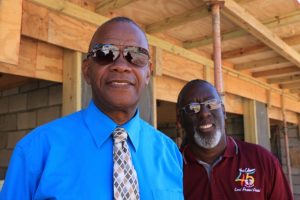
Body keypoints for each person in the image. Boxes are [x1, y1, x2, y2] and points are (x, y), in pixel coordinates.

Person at [0, 17, 183, 199]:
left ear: (148, 73)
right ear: (87, 70)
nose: (121, 66)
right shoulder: (35, 151)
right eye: (105, 53)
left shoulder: (171, 154)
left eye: (136, 55)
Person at [176, 79, 293, 200]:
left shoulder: (263, 161)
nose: (204, 113)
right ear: (179, 120)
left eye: (212, 104)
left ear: (224, 112)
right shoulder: (170, 167)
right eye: (192, 108)